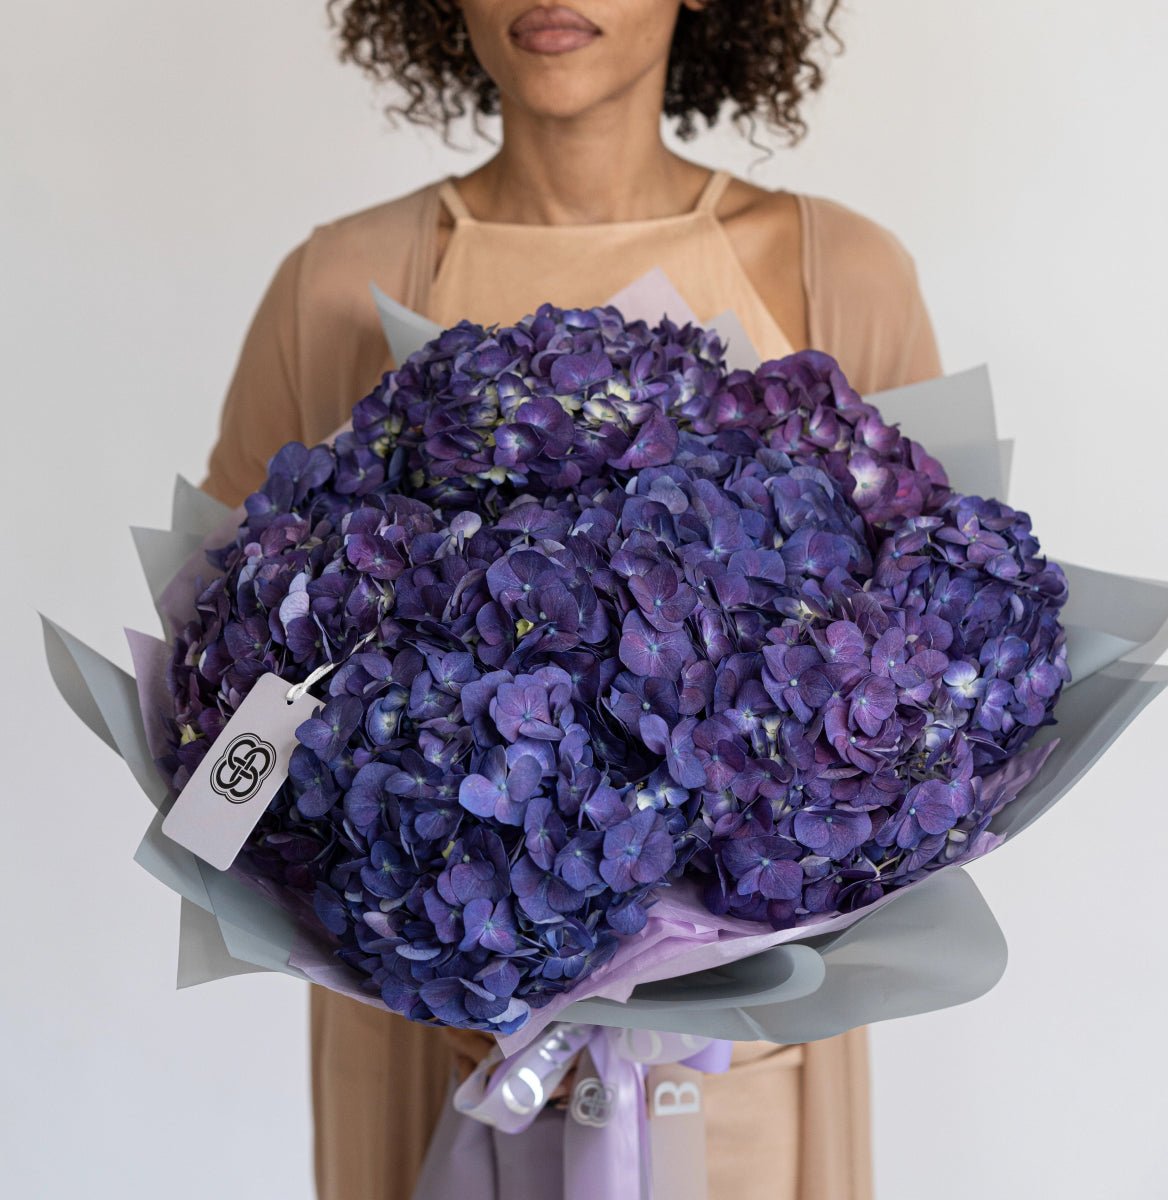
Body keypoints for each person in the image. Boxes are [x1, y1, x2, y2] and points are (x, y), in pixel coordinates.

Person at [199, 3, 942, 1197]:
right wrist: (403, 930)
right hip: (426, 1051)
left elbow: (932, 697)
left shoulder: (834, 273)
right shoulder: (338, 285)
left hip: (740, 1089)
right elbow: (224, 717)